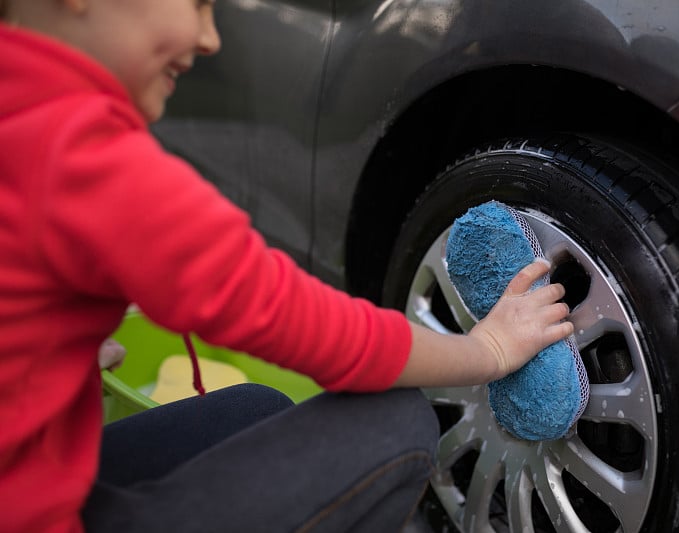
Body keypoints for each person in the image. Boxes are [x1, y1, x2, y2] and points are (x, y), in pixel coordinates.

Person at [0, 1, 574, 532]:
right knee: (394, 421)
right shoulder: (83, 155)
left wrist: (47, 353)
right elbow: (315, 329)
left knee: (258, 410)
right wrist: (489, 352)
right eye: (197, 3)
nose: (209, 38)